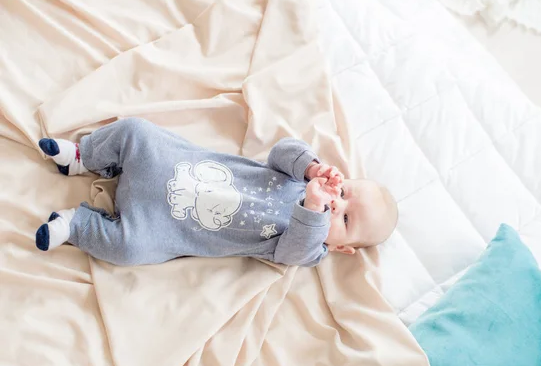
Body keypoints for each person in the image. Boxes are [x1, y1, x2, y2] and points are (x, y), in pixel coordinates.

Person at [35, 118, 397, 267]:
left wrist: (314, 209)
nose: (337, 204)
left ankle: (76, 225)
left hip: (162, 225)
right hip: (171, 164)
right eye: (345, 192)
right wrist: (311, 167)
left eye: (346, 218)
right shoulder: (302, 177)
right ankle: (83, 157)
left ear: (342, 248)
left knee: (127, 249)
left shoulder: (310, 247)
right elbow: (280, 152)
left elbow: (292, 252)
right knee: (136, 130)